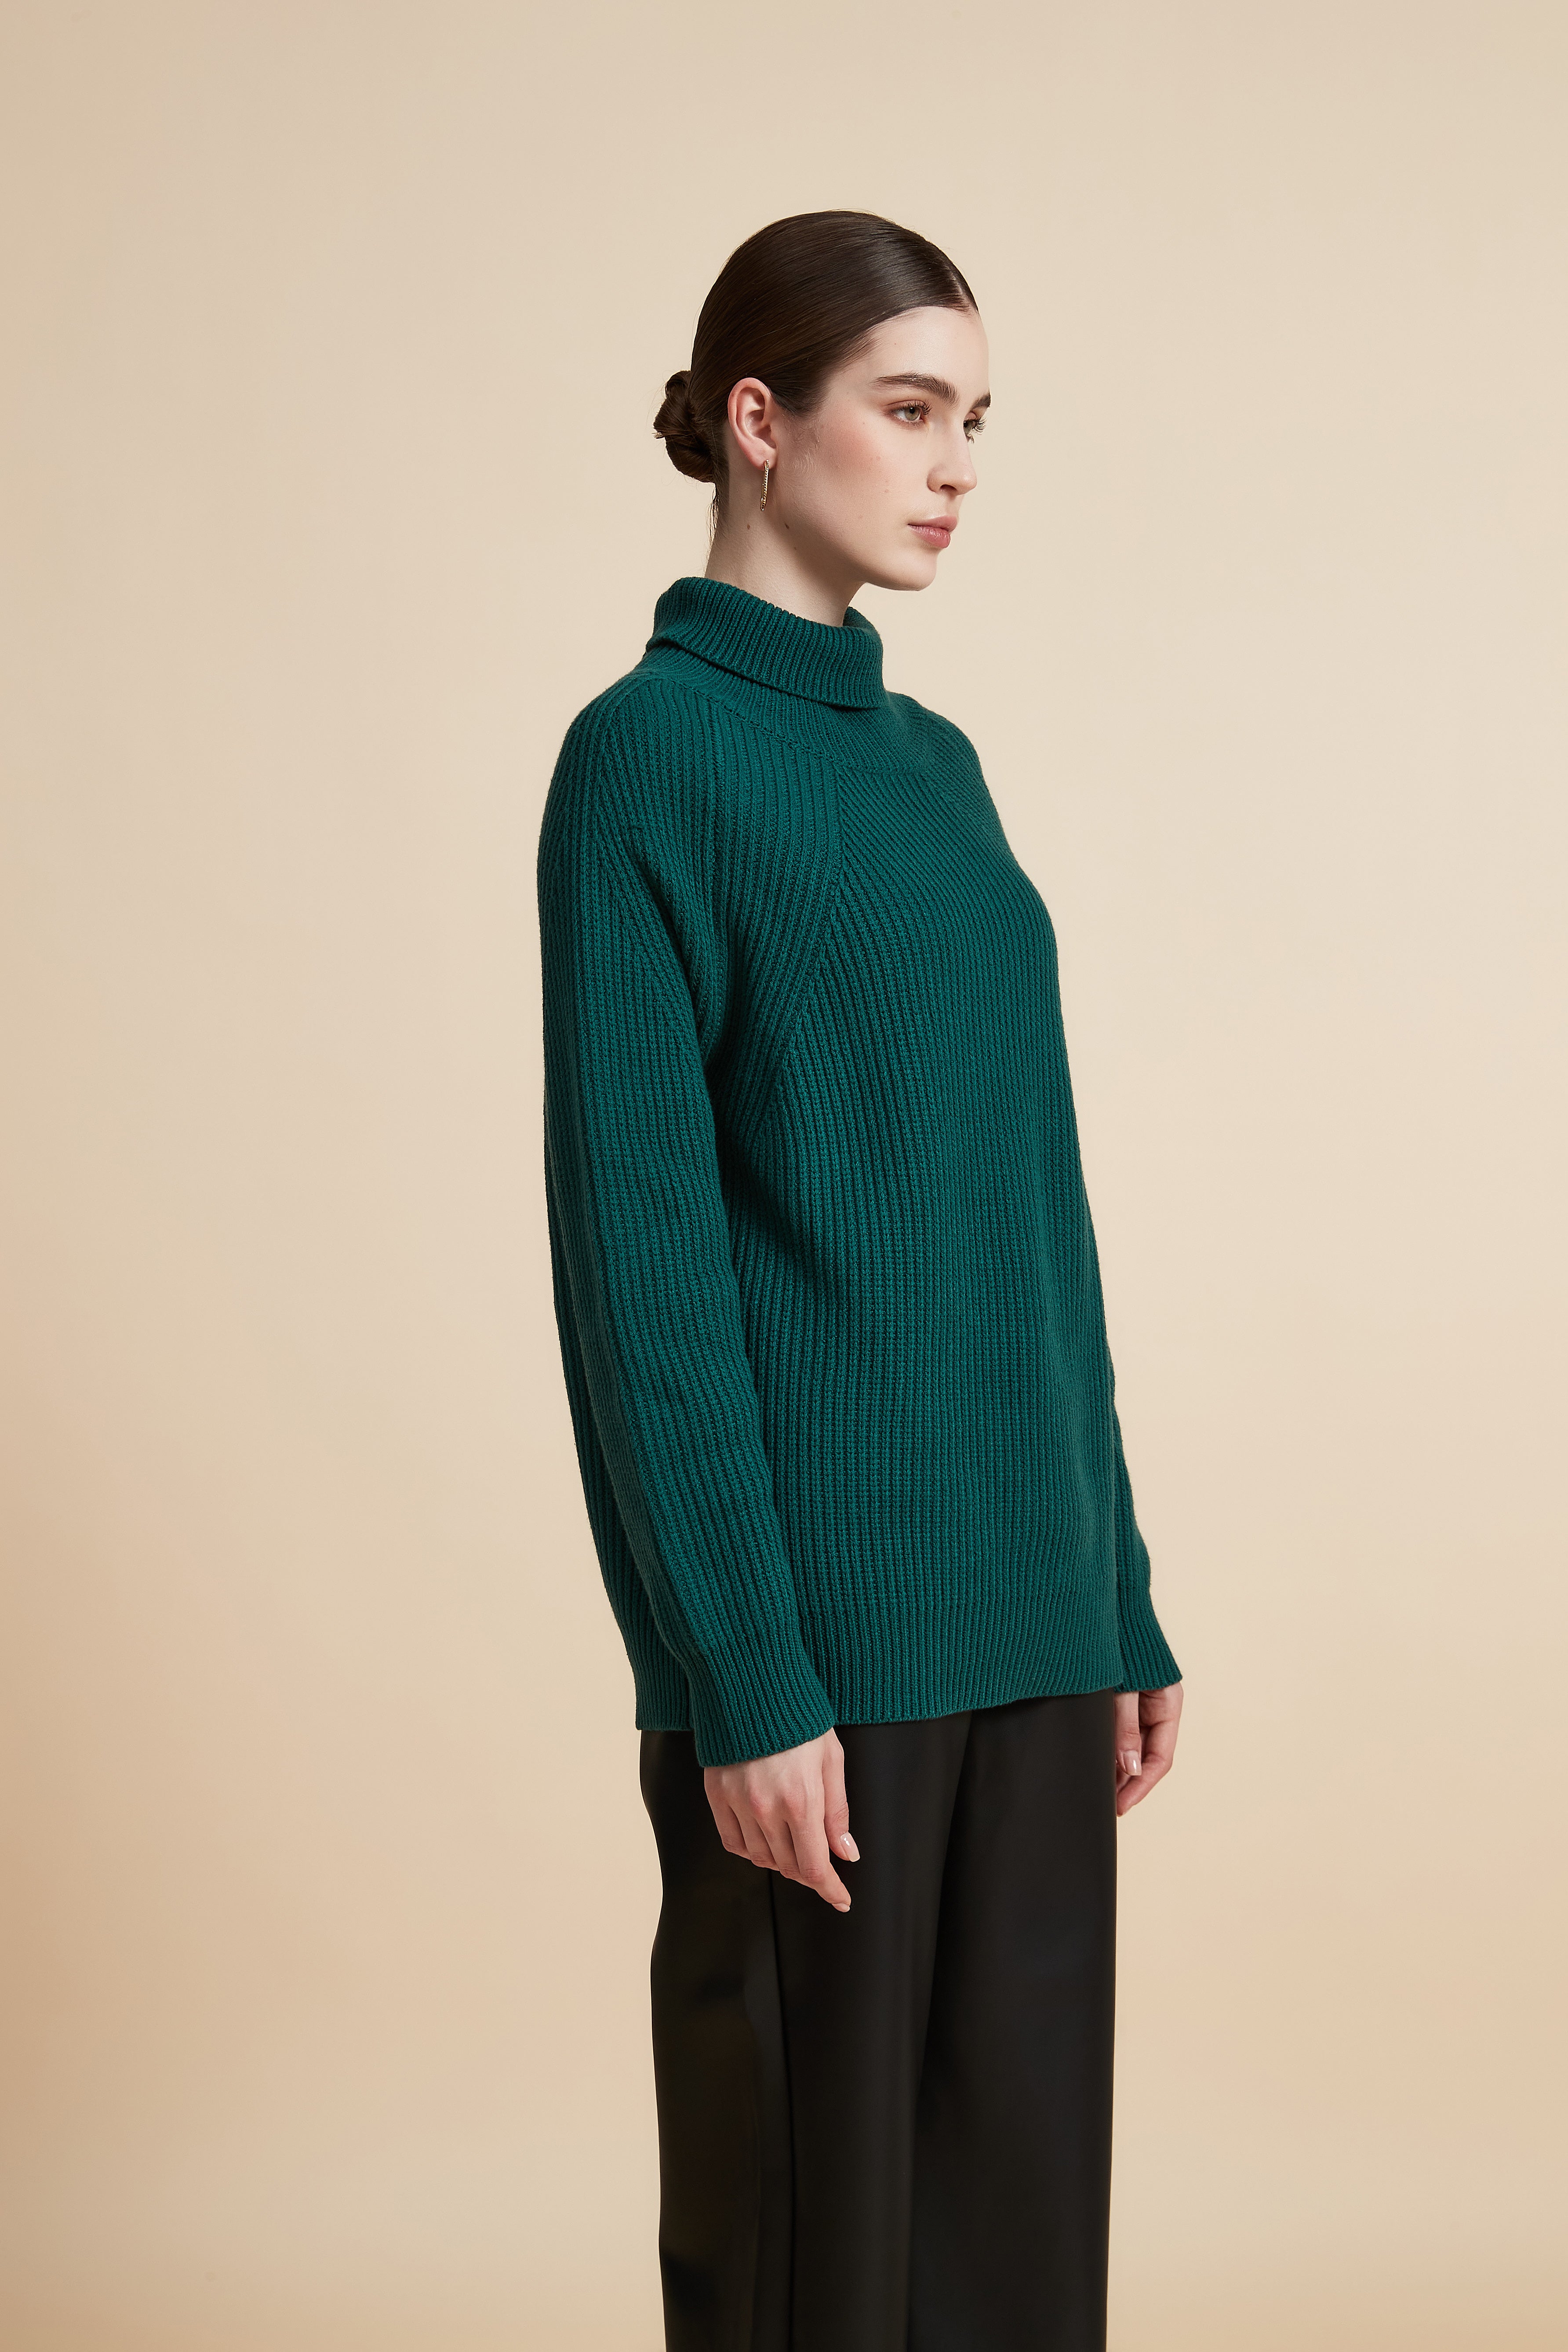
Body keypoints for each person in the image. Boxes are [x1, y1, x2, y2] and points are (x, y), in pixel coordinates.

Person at [536, 209, 1183, 2352]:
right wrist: (741, 1670)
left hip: (1033, 1619)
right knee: (811, 2268)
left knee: (1014, 2268)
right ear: (759, 420)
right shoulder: (645, 757)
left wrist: (1116, 1587)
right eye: (908, 410)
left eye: (974, 419)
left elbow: (1029, 1211)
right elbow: (642, 1268)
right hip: (820, 1653)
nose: (955, 464)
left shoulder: (940, 768)